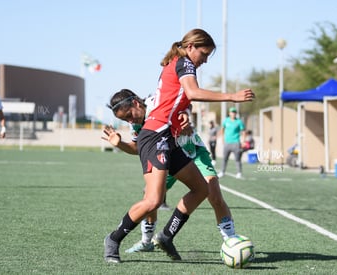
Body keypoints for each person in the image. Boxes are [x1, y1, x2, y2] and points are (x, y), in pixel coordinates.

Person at [102, 28, 255, 264]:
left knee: (203, 189)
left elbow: (180, 100)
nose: (204, 60)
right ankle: (113, 239)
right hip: (155, 136)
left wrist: (185, 112)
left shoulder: (177, 63)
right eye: (204, 54)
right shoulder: (184, 62)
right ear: (191, 47)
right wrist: (232, 96)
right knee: (153, 199)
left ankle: (166, 236)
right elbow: (192, 92)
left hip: (169, 138)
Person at [103, 90, 236, 255]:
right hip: (168, 156)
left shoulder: (158, 101)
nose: (130, 121)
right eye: (125, 120)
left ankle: (231, 241)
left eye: (130, 115)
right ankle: (147, 241)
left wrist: (185, 115)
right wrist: (120, 144)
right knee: (150, 198)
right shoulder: (136, 124)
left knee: (214, 194)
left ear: (136, 102)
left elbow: (186, 100)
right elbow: (138, 147)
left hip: (192, 151)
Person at [218, 107, 246, 179]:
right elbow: (222, 129)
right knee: (224, 158)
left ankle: (239, 173)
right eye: (231, 112)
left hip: (236, 143)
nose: (233, 113)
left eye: (234, 112)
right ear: (229, 113)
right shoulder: (226, 121)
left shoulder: (239, 122)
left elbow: (243, 132)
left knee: (237, 159)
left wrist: (243, 141)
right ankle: (222, 172)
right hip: (227, 143)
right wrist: (222, 139)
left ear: (236, 113)